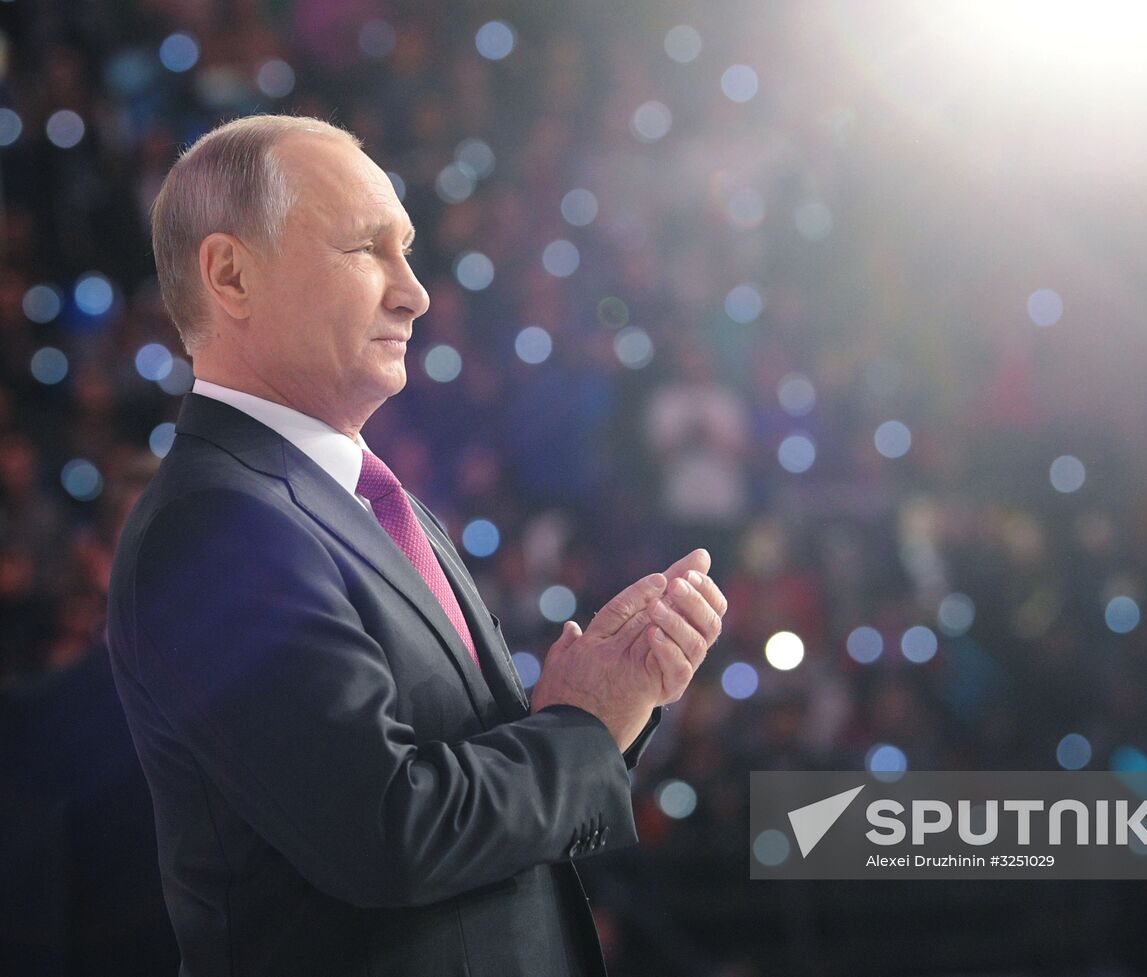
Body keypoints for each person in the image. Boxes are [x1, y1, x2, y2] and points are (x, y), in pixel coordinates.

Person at [106, 114, 727, 977]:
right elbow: (388, 829)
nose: (415, 293)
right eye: (366, 249)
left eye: (406, 250)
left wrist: (607, 703)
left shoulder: (371, 502)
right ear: (231, 275)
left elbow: (462, 781)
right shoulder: (215, 525)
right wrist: (583, 729)